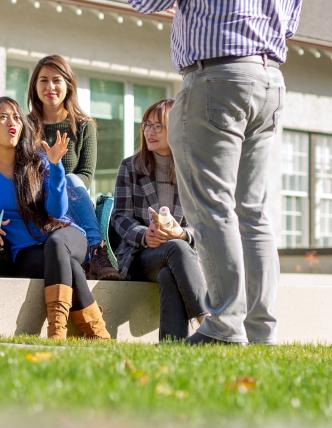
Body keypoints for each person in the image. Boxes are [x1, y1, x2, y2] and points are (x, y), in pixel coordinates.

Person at [127, 0, 302, 345]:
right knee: (251, 212)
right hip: (268, 79)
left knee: (212, 208)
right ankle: (260, 331)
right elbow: (289, 24)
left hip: (216, 77)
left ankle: (224, 327)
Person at [0, 97, 111, 340]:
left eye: (16, 117)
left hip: (63, 234)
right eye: (3, 117)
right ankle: (97, 331)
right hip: (23, 250)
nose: (11, 122)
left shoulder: (38, 160)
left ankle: (57, 331)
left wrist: (55, 167)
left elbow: (57, 211)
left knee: (56, 245)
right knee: (70, 267)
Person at [111, 99, 208, 341]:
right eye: (147, 125)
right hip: (140, 255)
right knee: (174, 249)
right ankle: (209, 324)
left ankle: (172, 345)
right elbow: (120, 217)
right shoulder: (130, 167)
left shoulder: (193, 172)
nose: (150, 132)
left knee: (170, 268)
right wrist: (145, 234)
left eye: (158, 126)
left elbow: (207, 225)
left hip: (181, 257)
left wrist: (183, 233)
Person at [26, 55, 120, 281]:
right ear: (34, 86)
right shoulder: (26, 126)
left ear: (68, 85)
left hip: (71, 203)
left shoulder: (84, 125)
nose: (50, 87)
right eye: (44, 80)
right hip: (37, 201)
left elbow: (86, 175)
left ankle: (98, 251)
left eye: (57, 80)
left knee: (71, 179)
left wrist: (60, 184)